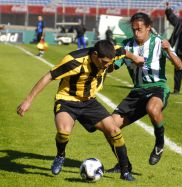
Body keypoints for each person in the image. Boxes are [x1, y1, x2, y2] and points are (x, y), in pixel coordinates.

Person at [16, 40, 144, 181]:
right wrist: (28, 100)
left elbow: (124, 51)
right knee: (63, 132)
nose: (107, 65)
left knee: (114, 130)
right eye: (104, 62)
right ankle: (60, 155)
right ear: (95, 55)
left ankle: (125, 171)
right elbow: (48, 76)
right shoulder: (73, 61)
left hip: (89, 102)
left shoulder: (112, 53)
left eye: (109, 62)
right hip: (67, 101)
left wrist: (136, 58)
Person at [106, 12, 182, 173]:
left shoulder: (159, 43)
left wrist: (169, 50)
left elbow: (179, 66)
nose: (136, 33)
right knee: (109, 127)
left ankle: (159, 144)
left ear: (149, 28)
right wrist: (106, 65)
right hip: (136, 92)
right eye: (134, 29)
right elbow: (114, 67)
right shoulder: (126, 45)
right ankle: (123, 164)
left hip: (157, 87)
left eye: (139, 29)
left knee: (152, 109)